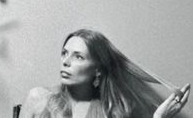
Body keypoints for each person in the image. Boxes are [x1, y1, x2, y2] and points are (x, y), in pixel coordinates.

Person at [19, 29, 190, 118]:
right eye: (64, 53)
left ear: (98, 69)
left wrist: (159, 117)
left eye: (78, 56)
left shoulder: (111, 112)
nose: (66, 61)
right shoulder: (38, 98)